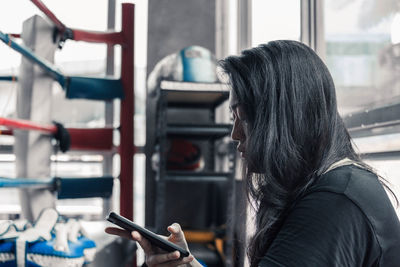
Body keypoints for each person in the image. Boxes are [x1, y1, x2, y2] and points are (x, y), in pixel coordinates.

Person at [106, 40, 400, 266]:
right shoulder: (332, 186)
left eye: (241, 117)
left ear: (280, 117)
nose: (234, 134)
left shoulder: (333, 206)